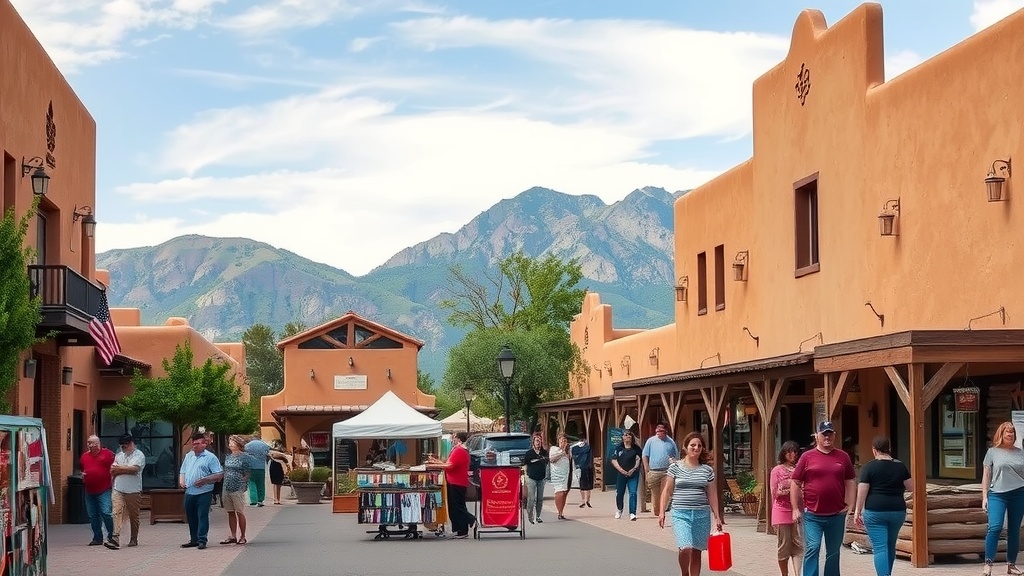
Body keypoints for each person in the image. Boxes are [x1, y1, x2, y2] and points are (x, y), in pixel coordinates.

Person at [790, 421, 856, 576]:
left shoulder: (843, 456)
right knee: (813, 547)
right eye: (824, 434)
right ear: (817, 436)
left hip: (836, 514)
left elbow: (851, 481)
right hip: (813, 514)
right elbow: (795, 482)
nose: (827, 437)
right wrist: (794, 509)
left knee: (833, 552)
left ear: (834, 435)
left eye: (830, 433)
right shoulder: (807, 456)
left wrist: (850, 505)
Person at [658, 431, 722, 576]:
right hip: (680, 513)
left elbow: (712, 494)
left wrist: (717, 516)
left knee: (696, 551)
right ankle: (684, 573)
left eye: (699, 445)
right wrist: (662, 512)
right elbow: (667, 491)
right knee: (685, 547)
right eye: (692, 445)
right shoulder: (675, 467)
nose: (696, 448)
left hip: (701, 514)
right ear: (685, 447)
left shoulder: (707, 470)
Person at [853, 436, 912, 576]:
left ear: (874, 450)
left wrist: (857, 511)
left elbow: (862, 491)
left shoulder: (869, 467)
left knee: (880, 548)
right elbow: (912, 487)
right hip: (897, 511)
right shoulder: (900, 466)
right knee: (890, 545)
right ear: (889, 449)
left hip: (875, 512)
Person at [981, 422, 1024, 576]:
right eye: (1007, 432)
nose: (1010, 435)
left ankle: (1011, 565)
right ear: (1001, 434)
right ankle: (988, 564)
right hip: (997, 494)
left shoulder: (1020, 453)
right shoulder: (992, 452)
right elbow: (986, 475)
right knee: (995, 527)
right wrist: (984, 496)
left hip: (1018, 493)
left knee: (1014, 530)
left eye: (1012, 432)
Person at [179, 431, 224, 550]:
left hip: (204, 492)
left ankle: (202, 539)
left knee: (202, 515)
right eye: (193, 444)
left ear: (204, 444)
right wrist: (182, 480)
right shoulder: (189, 456)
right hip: (190, 491)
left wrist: (205, 479)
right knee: (191, 516)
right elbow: (183, 470)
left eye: (198, 444)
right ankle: (194, 539)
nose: (195, 446)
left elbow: (219, 474)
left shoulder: (210, 457)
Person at [426, 431, 475, 539]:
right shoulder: (459, 450)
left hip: (456, 481)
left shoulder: (459, 450)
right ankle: (458, 529)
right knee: (454, 507)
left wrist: (435, 464)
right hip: (455, 480)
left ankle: (468, 522)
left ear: (458, 439)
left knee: (458, 506)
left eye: (454, 438)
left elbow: (450, 465)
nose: (452, 440)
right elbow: (448, 463)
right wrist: (436, 462)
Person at [771, 440, 803, 576]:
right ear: (784, 453)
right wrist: (788, 490)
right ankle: (784, 574)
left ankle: (797, 573)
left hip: (798, 510)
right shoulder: (777, 470)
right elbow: (774, 492)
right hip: (781, 510)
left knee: (798, 545)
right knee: (784, 546)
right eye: (789, 451)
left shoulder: (800, 469)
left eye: (795, 451)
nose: (793, 454)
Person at [108, 434, 146, 549]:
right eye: (122, 446)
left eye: (125, 446)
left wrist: (119, 469)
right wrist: (124, 469)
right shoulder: (119, 455)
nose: (123, 449)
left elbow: (134, 469)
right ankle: (115, 537)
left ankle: (134, 538)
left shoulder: (139, 455)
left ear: (131, 444)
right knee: (116, 512)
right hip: (118, 488)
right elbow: (112, 470)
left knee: (133, 515)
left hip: (133, 490)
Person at [79, 435, 115, 547]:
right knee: (93, 515)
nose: (90, 445)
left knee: (106, 512)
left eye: (92, 443)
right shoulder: (84, 457)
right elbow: (83, 469)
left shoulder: (108, 454)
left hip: (104, 489)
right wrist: (82, 475)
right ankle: (97, 537)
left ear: (98, 443)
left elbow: (115, 467)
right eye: (88, 443)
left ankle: (112, 535)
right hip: (89, 490)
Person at [220, 435, 251, 545]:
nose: (230, 444)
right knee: (230, 512)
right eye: (230, 442)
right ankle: (233, 535)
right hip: (227, 487)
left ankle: (243, 536)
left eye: (232, 442)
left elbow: (247, 473)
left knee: (239, 512)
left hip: (238, 488)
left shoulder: (244, 457)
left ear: (238, 444)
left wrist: (242, 483)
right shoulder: (228, 457)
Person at [644, 423, 679, 515]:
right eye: (657, 430)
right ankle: (657, 512)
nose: (658, 433)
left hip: (666, 471)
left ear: (665, 431)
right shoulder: (650, 441)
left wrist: (674, 465)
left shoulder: (671, 442)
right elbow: (645, 455)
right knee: (655, 495)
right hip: (654, 471)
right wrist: (646, 469)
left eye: (660, 431)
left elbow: (676, 456)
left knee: (665, 492)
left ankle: (662, 512)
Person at [612, 430, 642, 520]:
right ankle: (619, 509)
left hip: (633, 474)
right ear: (622, 437)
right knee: (620, 493)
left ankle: (632, 513)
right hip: (621, 474)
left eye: (629, 435)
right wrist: (621, 470)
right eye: (625, 435)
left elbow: (638, 460)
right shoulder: (618, 448)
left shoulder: (636, 449)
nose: (627, 436)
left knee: (633, 493)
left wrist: (633, 469)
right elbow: (614, 460)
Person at [524, 434, 548, 523]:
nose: (539, 443)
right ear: (533, 442)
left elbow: (547, 460)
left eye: (540, 441)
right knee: (531, 498)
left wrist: (541, 458)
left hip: (541, 478)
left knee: (540, 498)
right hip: (531, 478)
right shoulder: (529, 453)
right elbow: (526, 461)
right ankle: (530, 516)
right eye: (537, 441)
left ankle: (538, 516)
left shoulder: (544, 452)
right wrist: (537, 459)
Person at [243, 433, 271, 507]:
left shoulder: (247, 445)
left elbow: (244, 454)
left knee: (251, 483)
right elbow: (268, 452)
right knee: (260, 484)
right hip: (261, 467)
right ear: (259, 437)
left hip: (251, 467)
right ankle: (260, 500)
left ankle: (253, 500)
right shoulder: (264, 445)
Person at [548, 434, 571, 520]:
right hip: (557, 475)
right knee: (560, 493)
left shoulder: (568, 451)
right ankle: (559, 512)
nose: (563, 443)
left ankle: (561, 512)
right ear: (558, 442)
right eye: (561, 441)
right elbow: (552, 459)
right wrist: (562, 452)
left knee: (564, 493)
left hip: (566, 475)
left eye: (565, 441)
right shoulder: (554, 449)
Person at [572, 438, 594, 508]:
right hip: (588, 467)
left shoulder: (575, 448)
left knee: (582, 485)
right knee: (589, 485)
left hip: (580, 467)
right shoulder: (589, 447)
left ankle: (583, 500)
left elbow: (573, 455)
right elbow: (591, 457)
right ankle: (588, 500)